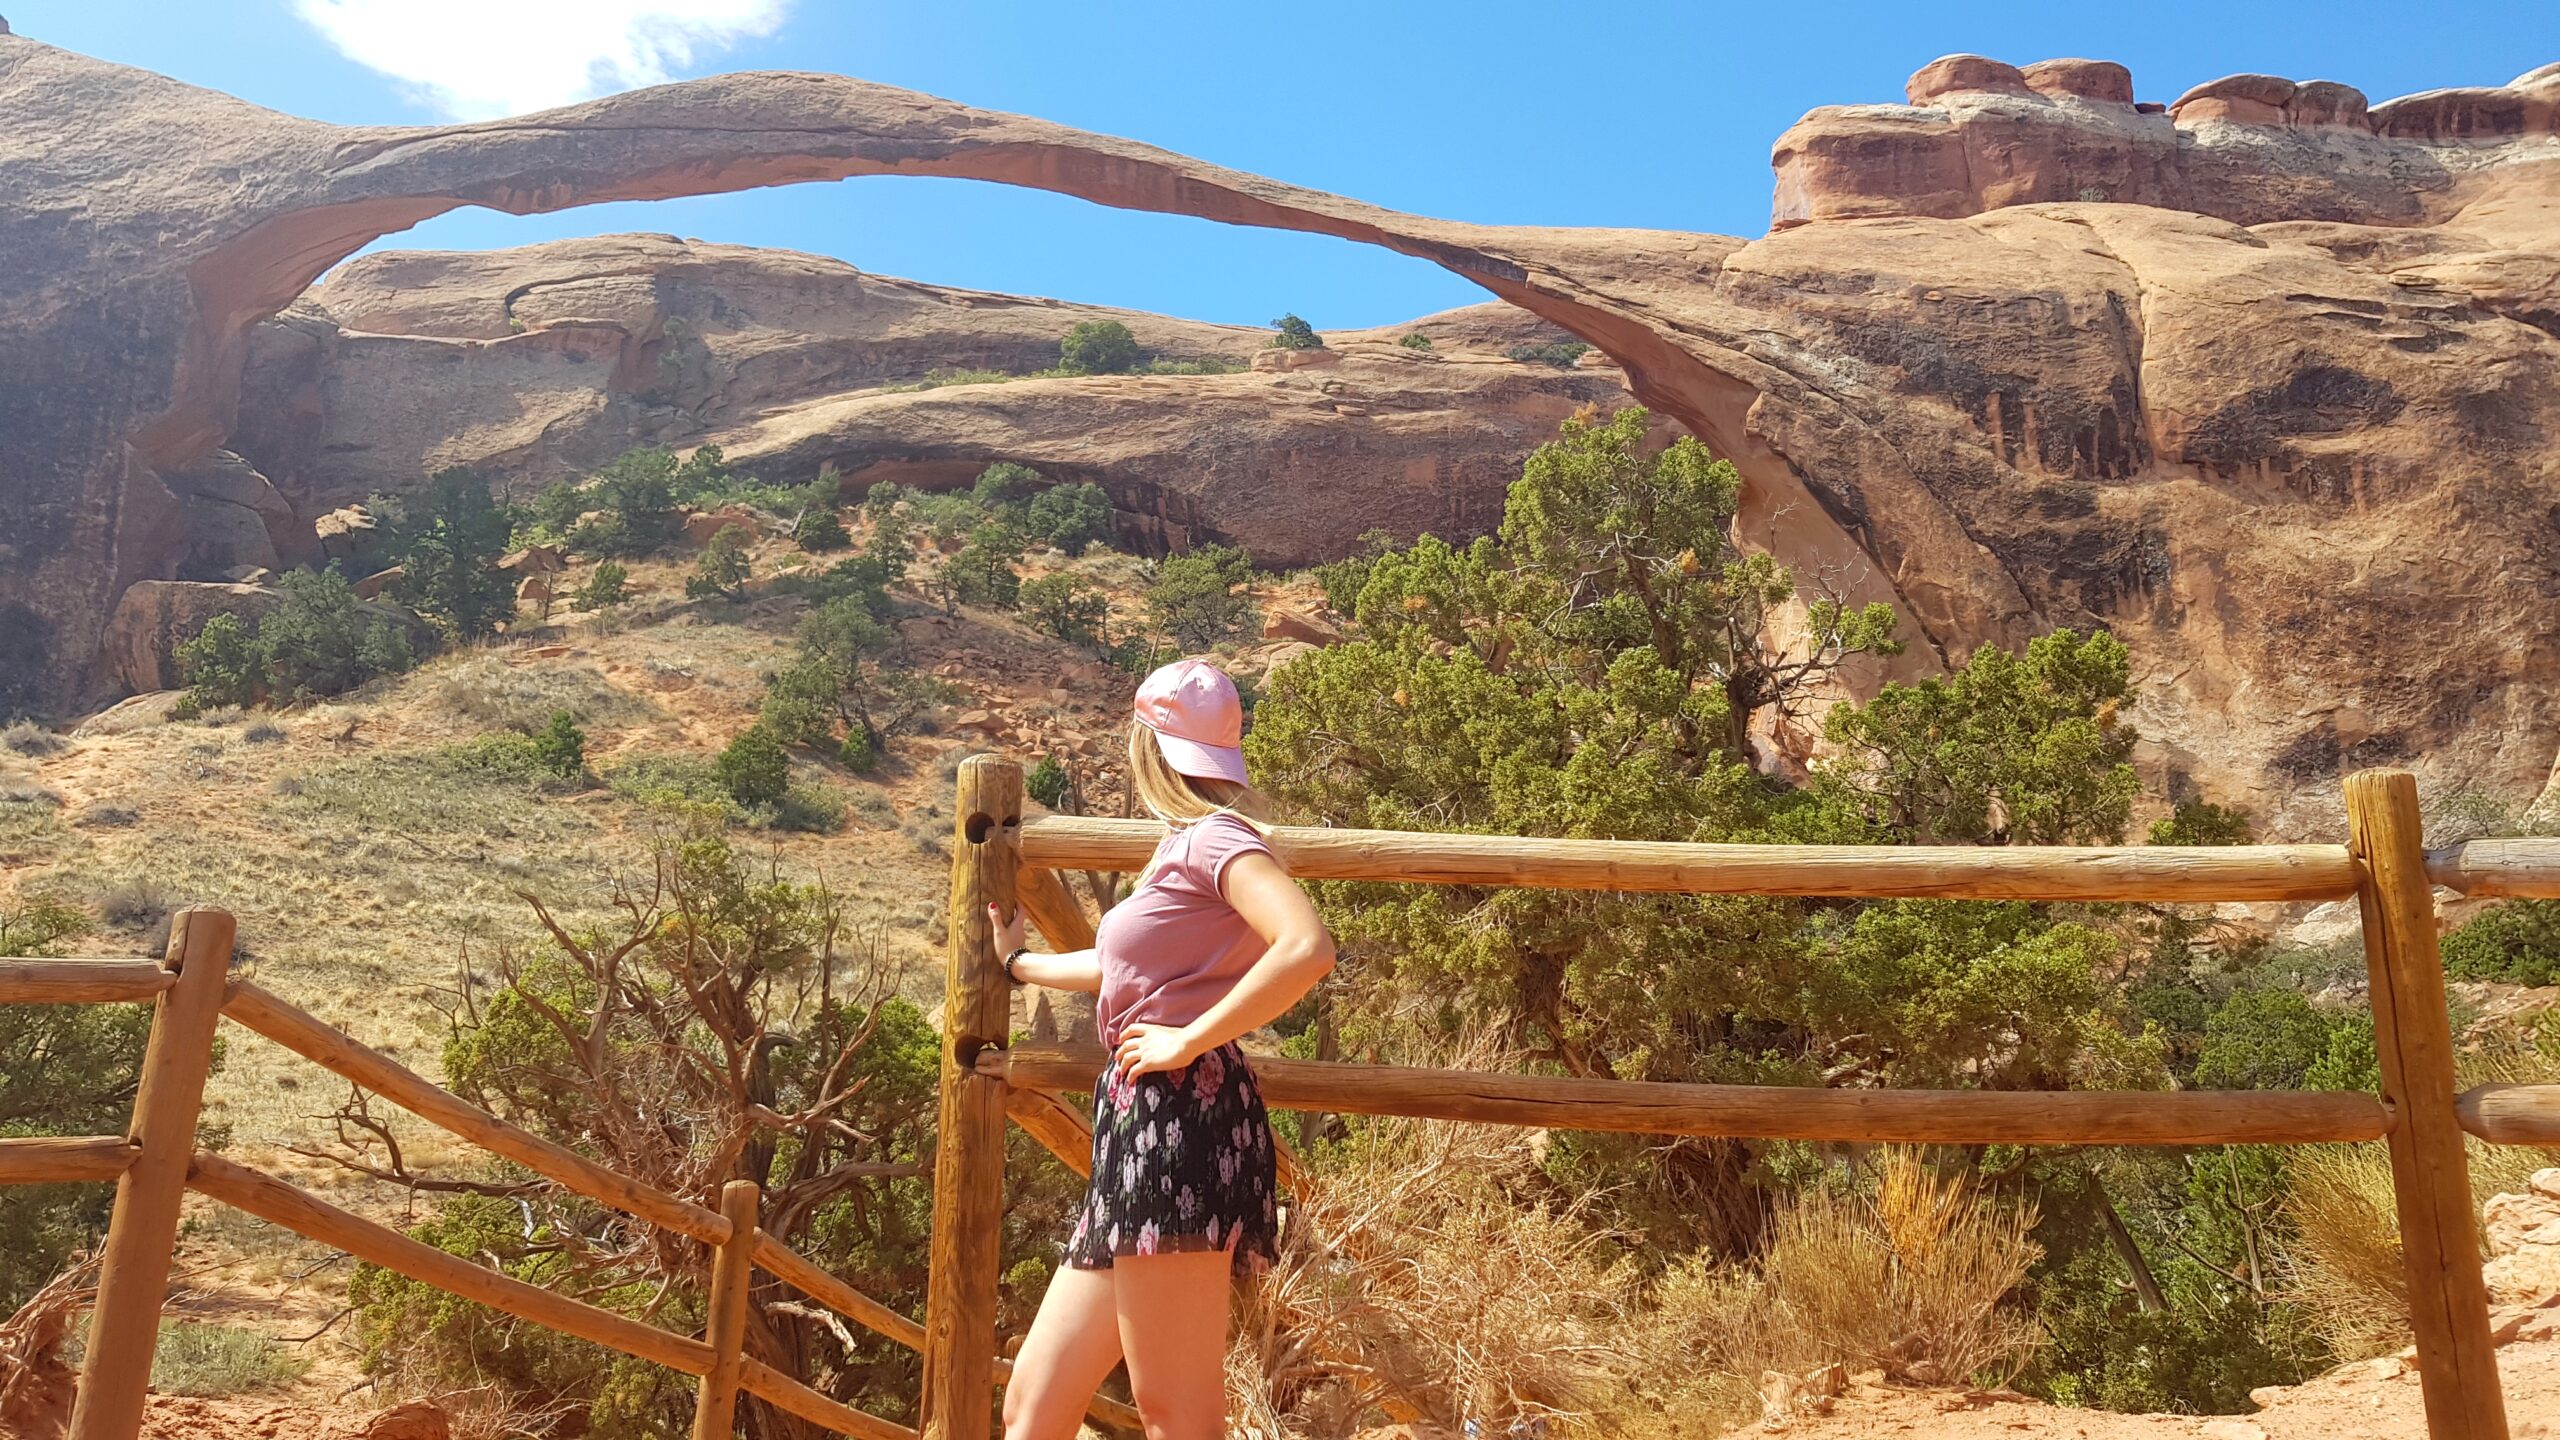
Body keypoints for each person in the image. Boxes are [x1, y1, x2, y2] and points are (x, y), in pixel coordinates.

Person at [991, 658, 1336, 1440]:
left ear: (1146, 745)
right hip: (1141, 1121)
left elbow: (1307, 946)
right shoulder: (1182, 845)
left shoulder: (1216, 840)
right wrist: (1018, 964)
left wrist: (1190, 1036)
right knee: (1034, 1406)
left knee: (1174, 1414)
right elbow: (1125, 968)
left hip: (1179, 1120)